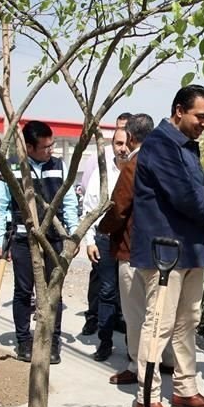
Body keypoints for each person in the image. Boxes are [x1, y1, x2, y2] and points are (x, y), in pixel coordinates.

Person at [130, 85, 204, 407]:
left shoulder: (188, 147)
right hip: (164, 253)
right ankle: (147, 397)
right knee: (159, 324)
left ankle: (185, 390)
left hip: (190, 250)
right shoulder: (160, 145)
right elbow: (185, 196)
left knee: (188, 321)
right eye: (200, 116)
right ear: (179, 111)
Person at [0, 120, 80, 364]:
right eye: (45, 147)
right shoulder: (11, 168)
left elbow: (69, 202)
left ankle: (52, 341)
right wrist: (0, 238)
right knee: (23, 291)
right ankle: (23, 341)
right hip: (22, 239)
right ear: (29, 147)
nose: (51, 150)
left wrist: (71, 234)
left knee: (54, 293)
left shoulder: (59, 166)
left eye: (52, 145)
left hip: (53, 239)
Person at [97, 114, 172, 389]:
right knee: (157, 314)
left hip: (132, 249)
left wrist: (103, 228)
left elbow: (119, 207)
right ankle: (160, 361)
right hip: (162, 251)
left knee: (136, 314)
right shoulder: (166, 161)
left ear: (130, 137)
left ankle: (137, 366)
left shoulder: (134, 164)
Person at [82, 112, 132, 335]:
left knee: (130, 293)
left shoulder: (140, 170)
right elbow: (90, 209)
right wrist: (89, 241)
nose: (122, 148)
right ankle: (103, 339)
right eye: (118, 143)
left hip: (130, 241)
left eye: (126, 143)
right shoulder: (102, 172)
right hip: (104, 238)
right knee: (106, 289)